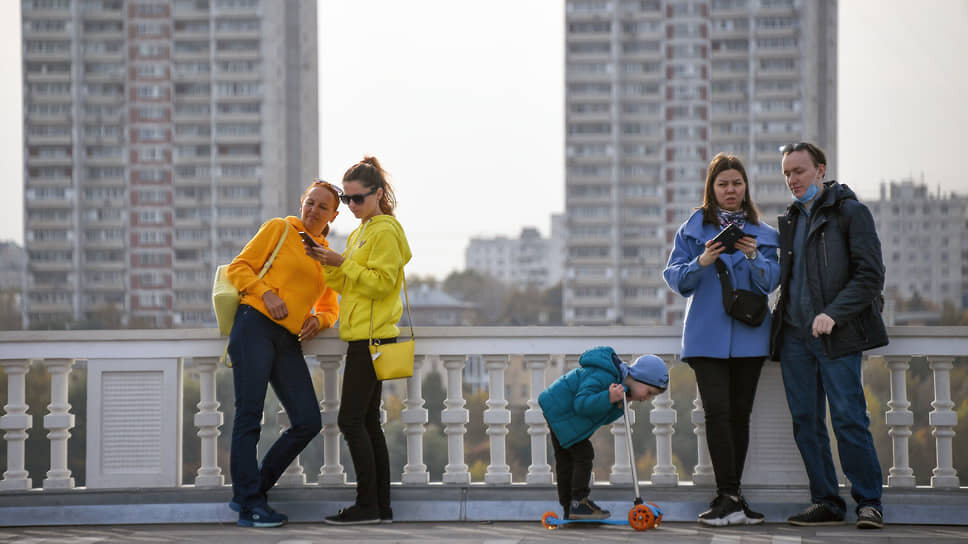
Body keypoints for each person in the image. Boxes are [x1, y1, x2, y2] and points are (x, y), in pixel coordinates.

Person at [770, 142, 888, 530]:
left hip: (837, 336)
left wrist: (833, 314)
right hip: (794, 338)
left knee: (849, 419)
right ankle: (825, 500)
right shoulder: (787, 220)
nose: (792, 179)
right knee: (806, 421)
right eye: (787, 173)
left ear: (820, 170)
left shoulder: (851, 213)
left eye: (799, 171)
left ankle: (869, 502)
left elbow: (870, 276)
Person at [663, 153, 781, 527]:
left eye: (737, 183)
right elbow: (676, 279)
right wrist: (702, 261)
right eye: (723, 183)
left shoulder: (763, 235)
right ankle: (728, 496)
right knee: (716, 413)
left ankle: (732, 497)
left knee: (740, 416)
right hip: (705, 337)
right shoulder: (692, 229)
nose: (731, 190)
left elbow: (770, 282)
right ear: (711, 188)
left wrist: (752, 258)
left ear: (745, 187)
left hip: (750, 336)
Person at [225, 179, 341, 528]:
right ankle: (250, 503)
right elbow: (238, 268)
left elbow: (330, 307)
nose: (314, 210)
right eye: (310, 202)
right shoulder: (279, 229)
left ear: (333, 215)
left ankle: (251, 493)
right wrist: (267, 293)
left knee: (308, 420)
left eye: (323, 207)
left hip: (289, 339)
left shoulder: (327, 257)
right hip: (255, 325)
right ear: (301, 202)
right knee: (250, 415)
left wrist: (318, 320)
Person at [306, 156, 412, 526]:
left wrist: (342, 262)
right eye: (347, 199)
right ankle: (379, 506)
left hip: (374, 338)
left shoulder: (384, 230)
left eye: (357, 199)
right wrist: (324, 261)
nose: (351, 206)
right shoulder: (360, 231)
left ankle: (368, 505)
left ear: (378, 194)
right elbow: (349, 282)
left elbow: (382, 283)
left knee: (351, 421)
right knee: (366, 423)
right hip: (362, 337)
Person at [538, 347, 668, 521]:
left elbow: (602, 418)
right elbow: (582, 404)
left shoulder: (620, 388)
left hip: (561, 412)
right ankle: (578, 503)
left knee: (567, 461)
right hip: (560, 409)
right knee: (583, 454)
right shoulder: (605, 376)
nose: (647, 398)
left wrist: (618, 404)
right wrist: (608, 397)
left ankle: (570, 507)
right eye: (649, 392)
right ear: (638, 378)